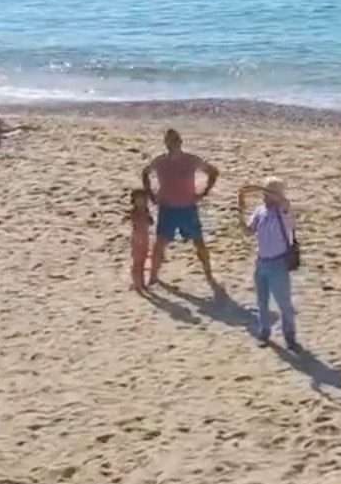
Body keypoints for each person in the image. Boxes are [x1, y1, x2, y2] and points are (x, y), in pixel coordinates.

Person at [143, 129, 220, 288]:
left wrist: (204, 192)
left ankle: (209, 275)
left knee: (199, 243)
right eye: (169, 141)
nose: (172, 144)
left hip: (187, 207)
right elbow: (145, 173)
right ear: (166, 143)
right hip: (167, 208)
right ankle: (153, 277)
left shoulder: (191, 160)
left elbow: (213, 172)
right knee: (160, 244)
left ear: (180, 142)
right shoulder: (160, 161)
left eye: (175, 141)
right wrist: (150, 194)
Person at [238, 178, 299, 349]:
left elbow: (285, 204)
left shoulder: (284, 211)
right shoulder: (260, 211)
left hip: (278, 263)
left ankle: (290, 336)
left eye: (268, 192)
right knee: (261, 301)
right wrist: (241, 215)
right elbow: (249, 231)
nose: (264, 195)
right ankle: (264, 333)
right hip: (261, 262)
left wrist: (272, 193)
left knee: (283, 302)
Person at [126, 187, 153, 294]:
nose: (143, 201)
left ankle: (141, 283)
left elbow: (150, 222)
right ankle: (137, 283)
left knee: (143, 261)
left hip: (145, 237)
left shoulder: (146, 211)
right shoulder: (135, 212)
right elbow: (136, 224)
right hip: (138, 238)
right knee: (137, 262)